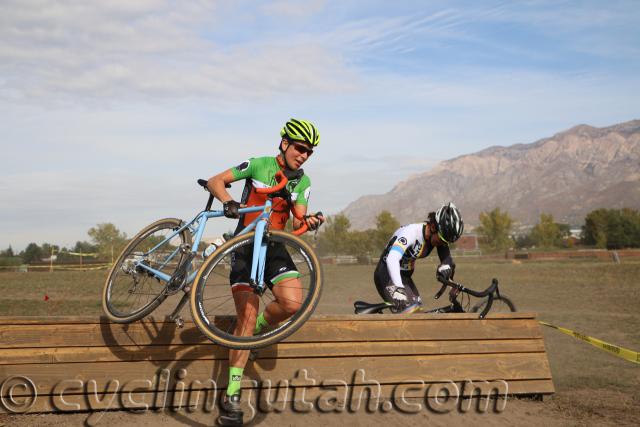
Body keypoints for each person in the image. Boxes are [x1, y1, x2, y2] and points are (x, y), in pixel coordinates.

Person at [207, 118, 324, 426]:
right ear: (285, 144)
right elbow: (215, 181)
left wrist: (309, 222)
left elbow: (298, 220)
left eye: (309, 152)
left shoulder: (303, 182)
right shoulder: (258, 164)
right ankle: (231, 396)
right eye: (300, 148)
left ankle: (255, 333)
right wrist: (229, 201)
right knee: (244, 317)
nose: (304, 155)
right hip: (245, 245)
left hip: (275, 247)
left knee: (292, 303)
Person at [374, 202, 464, 314]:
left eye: (447, 242)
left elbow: (447, 262)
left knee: (418, 315)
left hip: (405, 277)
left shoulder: (439, 237)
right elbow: (392, 258)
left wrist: (451, 284)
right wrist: (398, 288)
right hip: (386, 274)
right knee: (410, 314)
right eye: (442, 240)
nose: (443, 244)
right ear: (432, 227)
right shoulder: (411, 233)